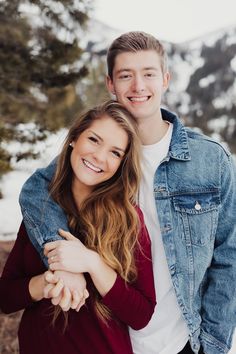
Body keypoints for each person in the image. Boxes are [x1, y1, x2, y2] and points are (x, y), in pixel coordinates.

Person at [18, 31, 236, 354]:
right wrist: (64, 262)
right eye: (125, 76)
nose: (138, 87)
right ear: (110, 84)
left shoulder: (210, 161)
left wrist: (214, 345)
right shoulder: (99, 155)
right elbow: (36, 189)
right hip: (115, 340)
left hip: (183, 342)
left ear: (165, 79)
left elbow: (228, 257)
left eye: (148, 74)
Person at [0, 100, 156, 354]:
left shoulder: (129, 221)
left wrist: (92, 263)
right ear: (74, 138)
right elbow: (5, 297)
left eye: (115, 152)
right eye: (94, 140)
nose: (99, 157)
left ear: (121, 164)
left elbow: (142, 315)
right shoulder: (39, 212)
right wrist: (46, 282)